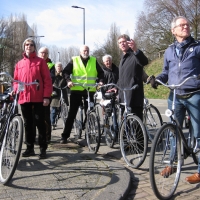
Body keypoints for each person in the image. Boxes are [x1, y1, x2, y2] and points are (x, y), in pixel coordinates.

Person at [151, 16, 200, 183]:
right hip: (174, 96)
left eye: (187, 24)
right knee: (173, 132)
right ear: (174, 30)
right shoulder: (169, 51)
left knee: (199, 134)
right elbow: (166, 72)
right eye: (182, 25)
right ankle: (171, 164)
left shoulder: (197, 47)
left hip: (195, 94)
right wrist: (157, 79)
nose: (186, 27)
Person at [13, 38, 52, 159]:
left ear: (34, 47)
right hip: (24, 98)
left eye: (31, 45)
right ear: (24, 47)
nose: (28, 46)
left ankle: (42, 148)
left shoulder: (41, 62)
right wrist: (15, 90)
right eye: (26, 45)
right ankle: (29, 148)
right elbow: (15, 80)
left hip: (38, 98)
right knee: (27, 123)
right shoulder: (19, 64)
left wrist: (46, 96)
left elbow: (47, 80)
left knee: (40, 123)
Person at [60, 45, 104, 144]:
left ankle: (89, 134)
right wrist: (68, 81)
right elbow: (66, 71)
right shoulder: (74, 60)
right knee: (72, 113)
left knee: (90, 112)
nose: (86, 52)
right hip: (77, 90)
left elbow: (101, 73)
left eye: (87, 50)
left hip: (90, 90)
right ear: (80, 52)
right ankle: (65, 136)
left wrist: (101, 81)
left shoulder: (93, 60)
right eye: (84, 50)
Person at [109, 34, 149, 120]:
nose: (122, 44)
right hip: (124, 96)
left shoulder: (134, 55)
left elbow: (144, 61)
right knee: (126, 126)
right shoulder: (123, 58)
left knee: (136, 127)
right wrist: (116, 87)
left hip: (134, 96)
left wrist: (136, 50)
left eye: (124, 42)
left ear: (128, 42)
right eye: (120, 43)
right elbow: (122, 77)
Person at [38, 47, 55, 143]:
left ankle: (47, 136)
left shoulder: (51, 65)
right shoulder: (35, 62)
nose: (43, 54)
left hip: (46, 94)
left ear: (48, 54)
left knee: (45, 116)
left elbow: (51, 78)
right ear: (38, 53)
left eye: (45, 53)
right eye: (42, 53)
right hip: (35, 93)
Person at [50, 62, 69, 129]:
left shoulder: (64, 74)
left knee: (62, 109)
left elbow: (68, 80)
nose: (59, 67)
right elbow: (50, 82)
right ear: (55, 67)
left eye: (60, 66)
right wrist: (52, 88)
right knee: (54, 110)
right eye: (58, 66)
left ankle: (65, 122)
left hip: (63, 93)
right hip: (55, 93)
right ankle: (52, 123)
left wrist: (69, 85)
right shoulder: (53, 75)